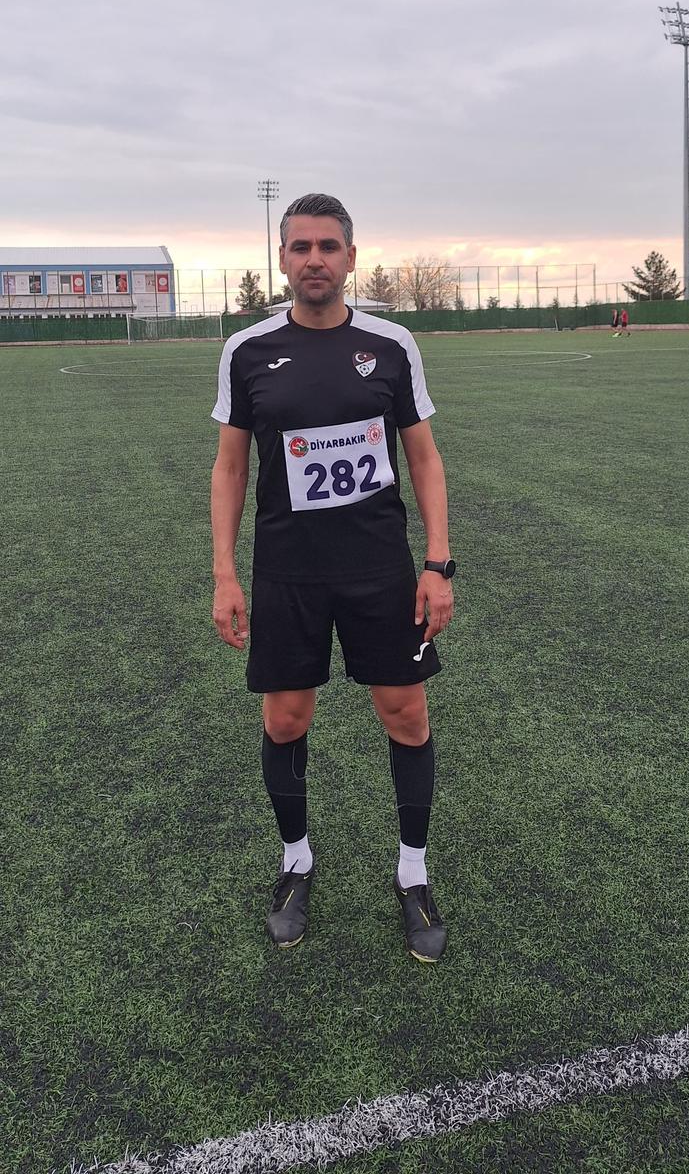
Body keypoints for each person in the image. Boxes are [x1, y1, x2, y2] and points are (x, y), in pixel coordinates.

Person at [210, 193, 455, 963]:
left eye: (327, 246)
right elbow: (229, 468)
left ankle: (412, 873)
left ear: (351, 257)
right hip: (288, 571)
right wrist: (224, 573)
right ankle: (296, 862)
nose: (314, 258)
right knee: (285, 720)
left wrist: (438, 564)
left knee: (405, 715)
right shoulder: (248, 351)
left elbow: (424, 459)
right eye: (300, 246)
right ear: (282, 258)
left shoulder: (391, 345)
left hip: (380, 569)